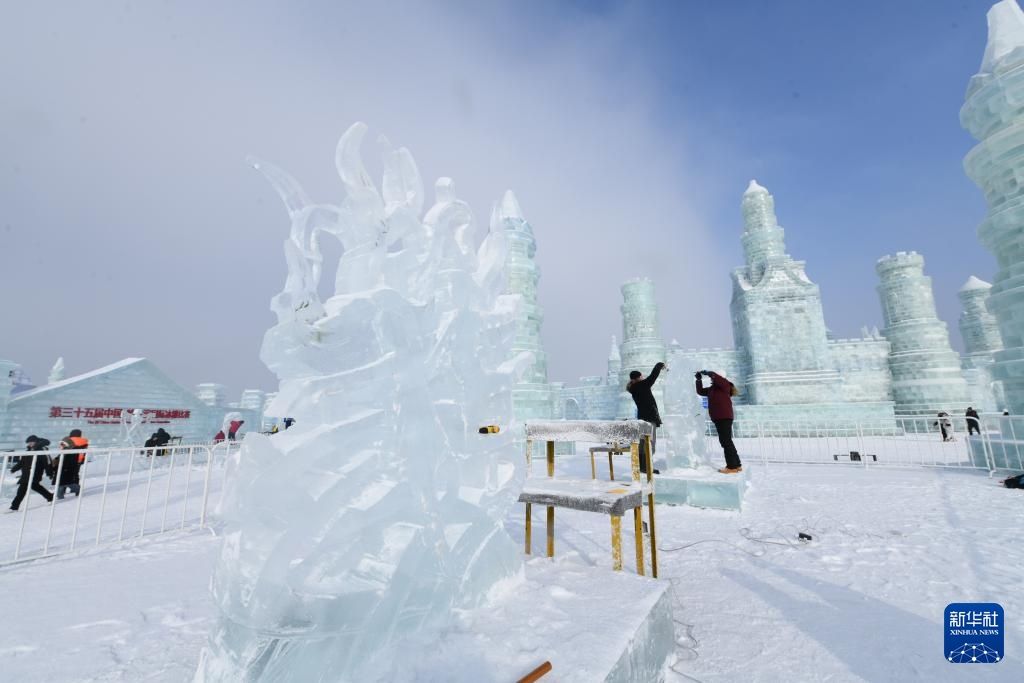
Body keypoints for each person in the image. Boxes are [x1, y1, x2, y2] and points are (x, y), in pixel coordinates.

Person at [695, 370, 742, 474]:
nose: (712, 378)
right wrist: (699, 380)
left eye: (714, 377)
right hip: (719, 417)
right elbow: (700, 391)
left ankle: (732, 466)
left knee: (725, 442)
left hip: (723, 417)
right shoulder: (713, 389)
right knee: (727, 441)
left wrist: (710, 373)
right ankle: (737, 464)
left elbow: (719, 380)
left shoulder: (725, 385)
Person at [626, 362, 665, 475]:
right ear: (638, 377)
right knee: (650, 444)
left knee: (643, 443)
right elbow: (652, 377)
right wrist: (658, 366)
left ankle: (643, 467)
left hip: (642, 418)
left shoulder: (634, 388)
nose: (643, 378)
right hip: (648, 419)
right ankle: (648, 467)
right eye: (641, 376)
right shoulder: (641, 385)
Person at [8, 435, 54, 512]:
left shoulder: (42, 450)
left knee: (21, 491)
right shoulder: (28, 451)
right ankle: (50, 496)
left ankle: (14, 507)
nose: (30, 444)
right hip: (26, 474)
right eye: (29, 443)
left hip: (35, 473)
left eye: (31, 442)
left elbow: (47, 462)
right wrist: (13, 469)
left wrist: (49, 472)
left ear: (36, 441)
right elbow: (22, 462)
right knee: (35, 487)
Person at [53, 429, 87, 498]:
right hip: (78, 460)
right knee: (74, 475)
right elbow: (84, 451)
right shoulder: (84, 441)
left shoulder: (68, 440)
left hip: (67, 462)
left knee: (65, 478)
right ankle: (74, 489)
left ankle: (67, 490)